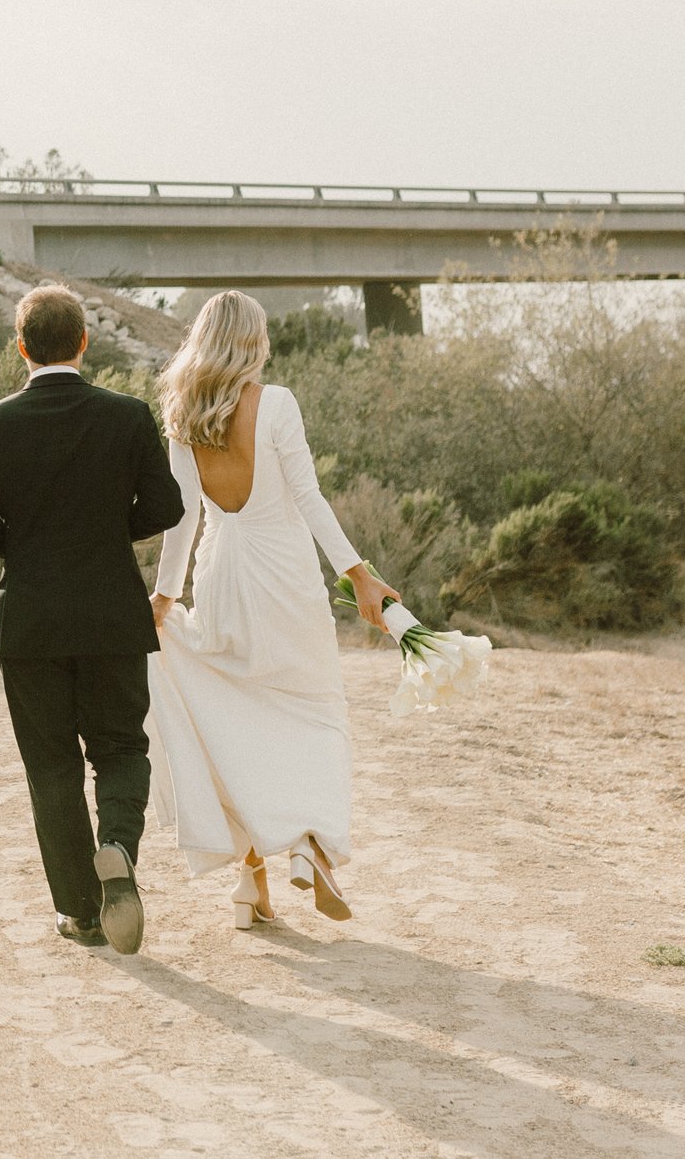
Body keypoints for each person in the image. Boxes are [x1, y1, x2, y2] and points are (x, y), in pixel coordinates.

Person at [146, 290, 400, 928]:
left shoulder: (180, 413)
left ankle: (250, 883)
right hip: (284, 579)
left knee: (238, 718)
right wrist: (361, 578)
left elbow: (180, 522)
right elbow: (310, 501)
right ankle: (309, 846)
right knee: (316, 714)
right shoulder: (276, 403)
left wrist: (165, 596)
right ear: (252, 342)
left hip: (221, 575)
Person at [0, 284, 184, 953]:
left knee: (51, 765)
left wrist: (29, 549)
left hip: (30, 621)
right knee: (120, 747)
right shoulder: (129, 415)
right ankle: (116, 844)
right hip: (113, 612)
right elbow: (165, 508)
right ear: (84, 343)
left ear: (21, 347)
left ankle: (82, 913)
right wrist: (109, 537)